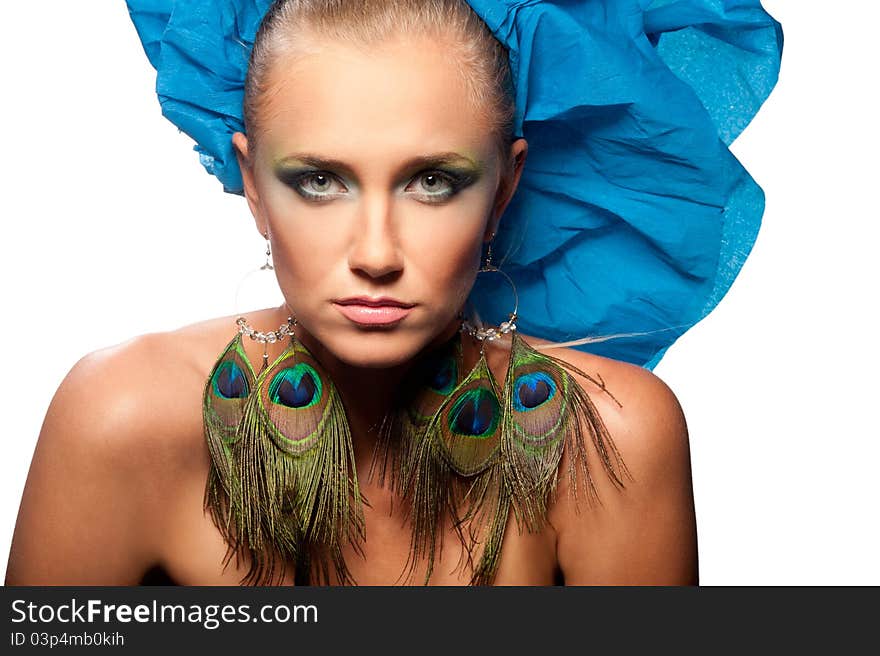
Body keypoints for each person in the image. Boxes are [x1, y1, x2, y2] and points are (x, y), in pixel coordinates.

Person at [5, 0, 782, 585]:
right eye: (319, 180)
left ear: (506, 187)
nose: (376, 252)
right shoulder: (120, 418)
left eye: (433, 181)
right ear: (250, 182)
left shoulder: (615, 438)